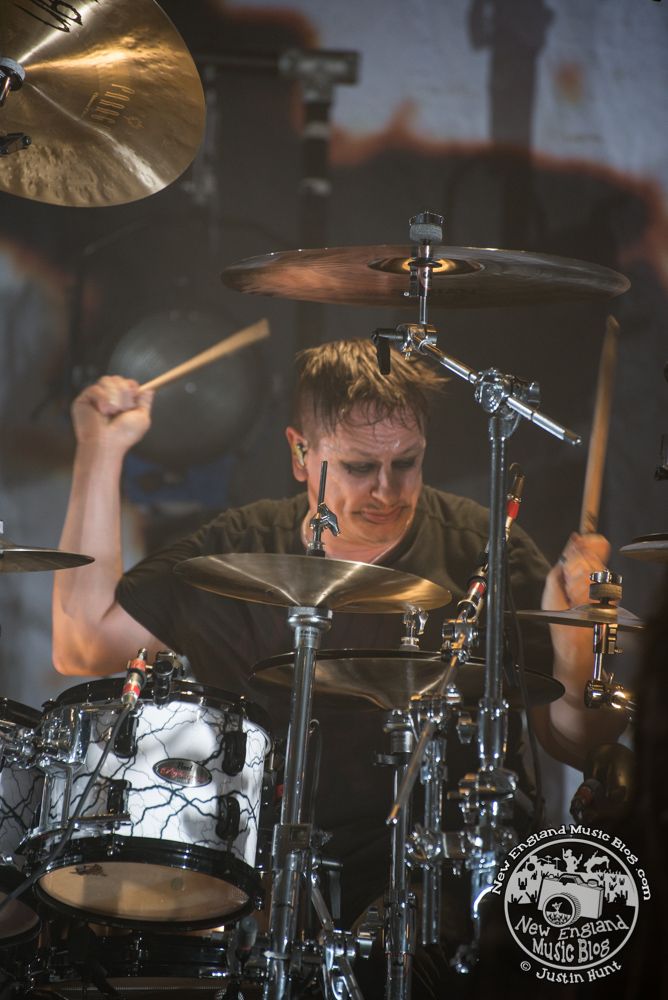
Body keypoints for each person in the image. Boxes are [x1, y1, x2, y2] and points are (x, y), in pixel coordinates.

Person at [52, 338, 626, 932]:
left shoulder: (482, 550)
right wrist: (100, 449)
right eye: (359, 467)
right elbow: (83, 643)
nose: (387, 491)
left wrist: (575, 648)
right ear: (300, 453)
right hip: (271, 887)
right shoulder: (238, 549)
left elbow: (576, 743)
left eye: (407, 463)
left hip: (444, 879)